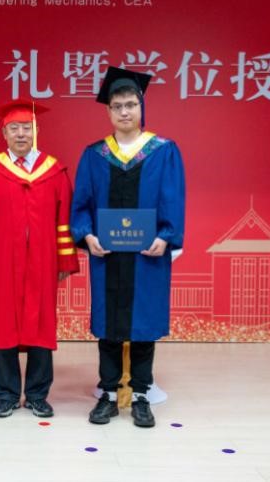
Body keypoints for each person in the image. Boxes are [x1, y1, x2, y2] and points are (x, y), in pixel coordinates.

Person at [70, 66, 185, 428]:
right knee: (109, 325)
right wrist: (87, 235)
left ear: (141, 106)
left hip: (147, 255)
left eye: (130, 105)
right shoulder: (94, 154)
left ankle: (140, 396)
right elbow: (81, 203)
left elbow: (173, 199)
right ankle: (107, 394)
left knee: (143, 325)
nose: (124, 112)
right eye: (117, 106)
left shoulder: (163, 151)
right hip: (107, 256)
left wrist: (165, 236)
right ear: (108, 111)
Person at [0, 99, 78, 418]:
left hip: (43, 261)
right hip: (2, 261)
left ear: (35, 131)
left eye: (26, 128)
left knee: (41, 325)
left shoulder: (54, 171)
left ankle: (38, 394)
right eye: (13, 128)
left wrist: (64, 261)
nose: (20, 134)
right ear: (4, 133)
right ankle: (7, 395)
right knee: (3, 325)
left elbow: (64, 219)